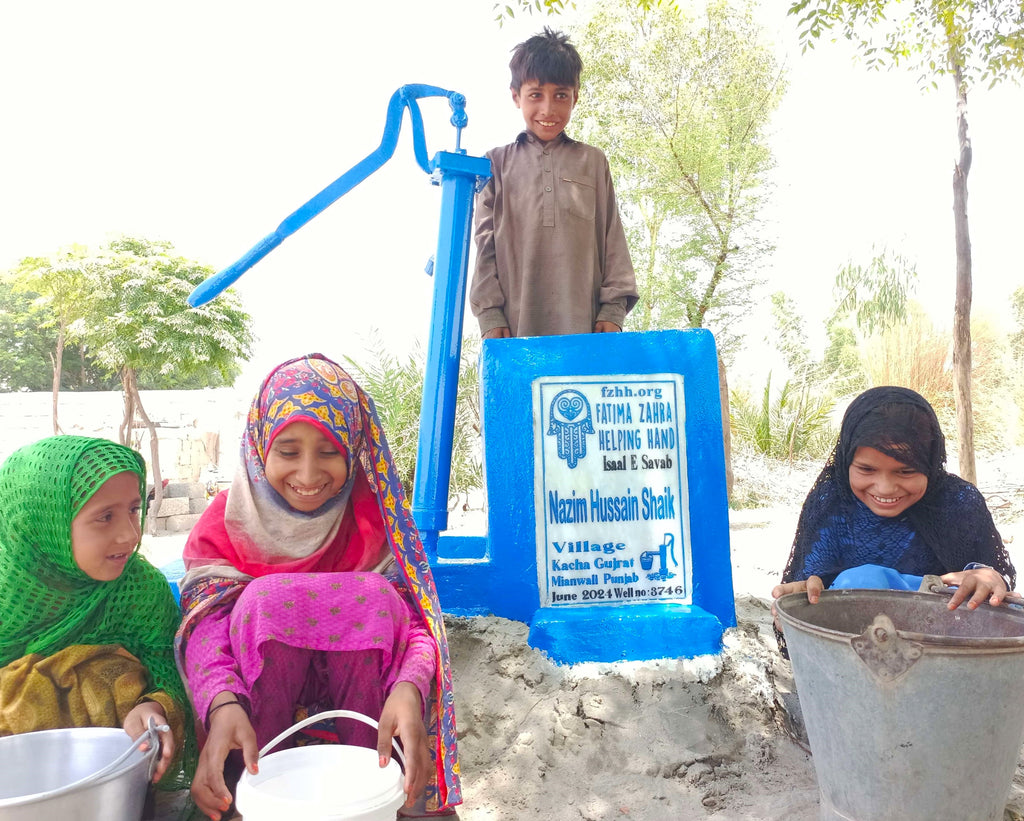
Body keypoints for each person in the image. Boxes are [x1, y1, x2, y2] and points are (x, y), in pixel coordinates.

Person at [176, 353, 460, 821]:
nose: (308, 475)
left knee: (374, 600)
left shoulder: (378, 519)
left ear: (352, 449)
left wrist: (408, 688)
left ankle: (385, 786)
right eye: (288, 451)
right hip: (255, 737)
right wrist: (223, 702)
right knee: (265, 602)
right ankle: (249, 794)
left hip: (371, 731)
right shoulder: (225, 524)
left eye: (329, 451)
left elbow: (415, 628)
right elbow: (205, 634)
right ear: (260, 445)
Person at [0, 435, 188, 786]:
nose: (130, 534)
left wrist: (154, 706)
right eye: (105, 517)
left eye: (134, 509)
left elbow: (171, 669)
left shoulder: (140, 590)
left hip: (119, 779)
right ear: (42, 523)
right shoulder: (7, 594)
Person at [771, 386, 1017, 650]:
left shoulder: (958, 502)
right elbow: (807, 588)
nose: (885, 488)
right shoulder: (831, 502)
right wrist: (794, 611)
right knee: (862, 582)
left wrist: (991, 579)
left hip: (945, 648)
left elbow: (998, 589)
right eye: (867, 469)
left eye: (906, 470)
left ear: (930, 462)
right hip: (851, 653)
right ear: (846, 461)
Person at [469, 26, 638, 339]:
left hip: (586, 326)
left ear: (575, 97)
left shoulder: (593, 161)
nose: (548, 109)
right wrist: (490, 314)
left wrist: (613, 310)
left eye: (561, 95)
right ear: (516, 96)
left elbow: (612, 236)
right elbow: (484, 244)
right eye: (536, 95)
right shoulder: (495, 163)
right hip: (514, 327)